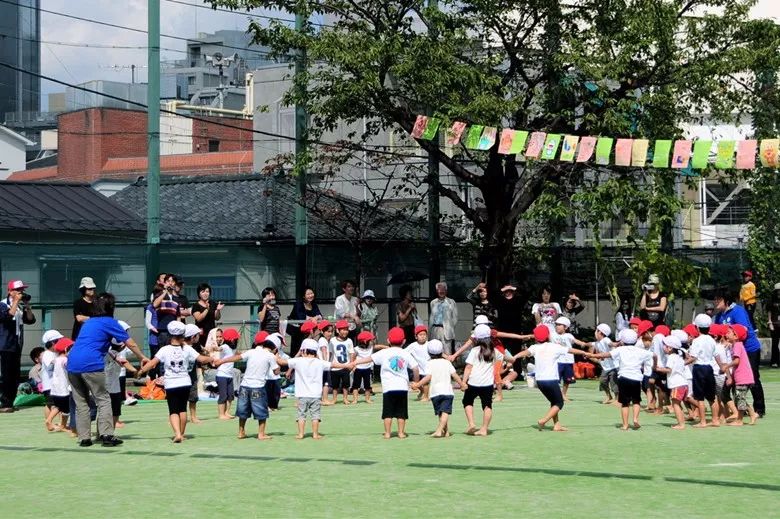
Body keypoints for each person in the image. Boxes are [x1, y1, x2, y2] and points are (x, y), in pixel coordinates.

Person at [67, 292, 148, 446]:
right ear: (111, 307)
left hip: (72, 364)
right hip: (91, 364)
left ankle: (84, 438)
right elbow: (130, 343)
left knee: (81, 402)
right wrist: (142, 357)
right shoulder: (110, 322)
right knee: (103, 400)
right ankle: (106, 435)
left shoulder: (88, 323)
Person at [136, 321, 213, 443]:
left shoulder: (164, 349)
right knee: (182, 409)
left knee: (173, 410)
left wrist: (141, 371)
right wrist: (212, 358)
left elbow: (152, 363)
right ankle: (181, 434)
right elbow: (201, 359)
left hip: (171, 384)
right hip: (185, 382)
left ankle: (177, 434)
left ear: (170, 335)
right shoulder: (187, 348)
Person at [512, 325, 592, 431]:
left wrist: (514, 357)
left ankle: (557, 425)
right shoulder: (555, 347)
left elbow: (524, 353)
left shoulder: (534, 347)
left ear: (536, 338)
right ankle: (543, 420)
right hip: (551, 380)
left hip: (539, 382)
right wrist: (584, 352)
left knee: (554, 402)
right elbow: (570, 350)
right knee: (559, 403)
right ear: (548, 335)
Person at [275, 338, 353, 439]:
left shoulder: (298, 361)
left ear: (303, 351)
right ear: (316, 352)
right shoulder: (320, 362)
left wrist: (275, 353)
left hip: (302, 395)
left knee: (301, 415)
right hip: (316, 395)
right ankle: (315, 434)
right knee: (315, 415)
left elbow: (281, 362)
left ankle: (301, 434)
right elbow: (333, 364)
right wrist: (347, 365)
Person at [354, 327, 419, 439]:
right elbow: (415, 368)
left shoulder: (384, 352)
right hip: (402, 387)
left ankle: (387, 433)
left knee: (387, 412)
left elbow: (369, 359)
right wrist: (416, 382)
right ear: (404, 341)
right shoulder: (405, 353)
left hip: (388, 388)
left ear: (388, 340)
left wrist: (355, 362)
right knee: (401, 412)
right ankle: (401, 433)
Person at [215, 335, 281, 440]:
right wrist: (277, 360)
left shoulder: (251, 352)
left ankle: (241, 432)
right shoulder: (270, 356)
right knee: (261, 412)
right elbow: (276, 372)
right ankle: (261, 434)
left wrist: (222, 361)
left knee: (243, 411)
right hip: (258, 387)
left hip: (244, 386)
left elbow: (236, 358)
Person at [713, 290, 765, 417]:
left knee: (752, 378)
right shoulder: (719, 316)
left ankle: (759, 409)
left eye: (718, 299)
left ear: (726, 300)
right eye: (715, 299)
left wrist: (730, 341)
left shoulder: (738, 311)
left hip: (749, 349)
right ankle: (740, 408)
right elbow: (718, 333)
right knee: (735, 378)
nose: (715, 302)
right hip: (732, 351)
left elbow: (743, 329)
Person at [591, 328, 655, 431]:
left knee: (625, 403)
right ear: (636, 340)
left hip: (623, 378)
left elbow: (607, 354)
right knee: (636, 401)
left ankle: (625, 425)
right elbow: (654, 355)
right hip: (636, 379)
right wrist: (655, 365)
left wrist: (592, 355)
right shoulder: (641, 351)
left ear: (623, 341)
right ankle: (635, 419)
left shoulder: (620, 349)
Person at [411, 339, 465, 438]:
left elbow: (428, 377)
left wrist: (417, 384)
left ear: (428, 352)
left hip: (435, 392)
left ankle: (439, 430)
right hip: (447, 392)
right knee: (444, 412)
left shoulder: (429, 363)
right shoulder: (447, 363)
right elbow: (455, 375)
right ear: (442, 351)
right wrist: (462, 384)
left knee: (442, 412)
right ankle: (446, 431)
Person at [0, 280, 36, 412]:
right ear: (10, 291)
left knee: (15, 375)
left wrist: (27, 305)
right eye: (18, 290)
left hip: (17, 345)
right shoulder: (3, 304)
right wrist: (15, 301)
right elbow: (7, 317)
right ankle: (5, 403)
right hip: (5, 345)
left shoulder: (20, 307)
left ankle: (10, 402)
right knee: (6, 375)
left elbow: (30, 320)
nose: (21, 292)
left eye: (22, 290)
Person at [461, 324, 503, 436]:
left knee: (467, 401)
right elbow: (502, 359)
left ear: (477, 339)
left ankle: (471, 424)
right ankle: (484, 429)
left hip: (473, 382)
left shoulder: (475, 350)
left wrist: (463, 382)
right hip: (488, 384)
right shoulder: (495, 351)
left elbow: (468, 367)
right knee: (487, 405)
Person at [687, 314, 723, 428]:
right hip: (709, 368)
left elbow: (693, 357)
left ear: (697, 328)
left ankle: (703, 422)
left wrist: (681, 363)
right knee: (712, 397)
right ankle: (715, 420)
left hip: (699, 369)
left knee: (700, 398)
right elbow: (716, 355)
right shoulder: (712, 340)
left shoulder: (696, 341)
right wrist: (721, 366)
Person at [723, 324, 759, 426]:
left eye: (729, 332)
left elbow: (737, 361)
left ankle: (739, 420)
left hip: (743, 378)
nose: (726, 334)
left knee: (740, 399)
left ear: (736, 336)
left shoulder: (738, 346)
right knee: (740, 398)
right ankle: (752, 414)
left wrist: (726, 366)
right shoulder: (736, 345)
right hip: (741, 378)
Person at [654, 335, 688, 429]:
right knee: (677, 404)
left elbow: (669, 370)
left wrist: (658, 369)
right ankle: (681, 422)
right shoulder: (679, 357)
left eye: (665, 346)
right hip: (683, 383)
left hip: (677, 384)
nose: (663, 347)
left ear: (670, 348)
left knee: (675, 404)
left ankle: (681, 424)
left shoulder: (671, 357)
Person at [46, 338, 74, 433]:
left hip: (55, 388)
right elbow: (70, 369)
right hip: (64, 388)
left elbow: (50, 369)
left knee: (58, 406)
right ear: (66, 349)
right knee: (66, 408)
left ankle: (49, 420)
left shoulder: (56, 359)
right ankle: (63, 425)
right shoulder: (65, 360)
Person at [287, 286, 322, 356]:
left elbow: (320, 316)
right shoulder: (298, 304)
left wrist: (316, 317)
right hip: (298, 331)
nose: (311, 295)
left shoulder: (314, 304)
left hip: (310, 332)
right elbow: (301, 317)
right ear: (304, 296)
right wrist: (313, 318)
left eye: (311, 293)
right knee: (297, 349)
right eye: (308, 294)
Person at [40, 329, 64, 426]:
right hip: (50, 384)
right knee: (53, 404)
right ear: (53, 342)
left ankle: (59, 423)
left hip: (54, 384)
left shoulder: (55, 353)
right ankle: (50, 422)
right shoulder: (47, 354)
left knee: (53, 403)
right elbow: (51, 366)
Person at [191, 283, 224, 350]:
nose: (205, 293)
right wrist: (206, 309)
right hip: (201, 335)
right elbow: (198, 319)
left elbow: (217, 318)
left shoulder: (213, 303)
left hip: (212, 333)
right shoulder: (196, 305)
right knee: (201, 352)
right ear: (199, 294)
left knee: (212, 352)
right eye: (203, 292)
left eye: (207, 291)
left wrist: (218, 310)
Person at [329, 320, 355, 405]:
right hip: (335, 367)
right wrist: (328, 363)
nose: (345, 332)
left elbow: (351, 353)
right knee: (335, 385)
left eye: (346, 329)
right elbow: (330, 353)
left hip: (345, 366)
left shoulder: (349, 341)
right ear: (337, 330)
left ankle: (345, 398)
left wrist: (351, 363)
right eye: (343, 330)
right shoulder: (332, 340)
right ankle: (334, 399)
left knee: (346, 384)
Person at [429, 282, 459, 355]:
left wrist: (449, 327)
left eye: (443, 289)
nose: (441, 291)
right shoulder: (433, 302)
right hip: (434, 329)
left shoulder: (451, 302)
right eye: (439, 289)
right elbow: (432, 317)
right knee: (434, 351)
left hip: (446, 330)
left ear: (446, 290)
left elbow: (455, 318)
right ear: (437, 291)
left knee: (447, 352)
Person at [215, 328, 238, 419]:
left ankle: (227, 412)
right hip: (222, 375)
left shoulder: (233, 349)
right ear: (232, 339)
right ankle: (221, 414)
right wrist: (214, 347)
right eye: (235, 339)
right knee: (223, 395)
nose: (236, 340)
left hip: (229, 375)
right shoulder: (225, 346)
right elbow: (219, 348)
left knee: (230, 395)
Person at [592, 323, 618, 404]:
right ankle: (608, 396)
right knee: (603, 381)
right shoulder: (597, 343)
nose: (595, 332)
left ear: (601, 332)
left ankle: (617, 398)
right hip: (605, 367)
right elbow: (590, 344)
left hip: (613, 366)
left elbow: (611, 344)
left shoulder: (606, 339)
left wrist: (617, 344)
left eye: (596, 331)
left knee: (614, 383)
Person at [406, 324, 431, 401]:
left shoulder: (429, 344)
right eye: (420, 335)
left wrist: (448, 357)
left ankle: (426, 397)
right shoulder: (413, 345)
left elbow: (438, 352)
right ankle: (422, 391)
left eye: (424, 334)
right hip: (418, 369)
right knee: (416, 382)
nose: (423, 336)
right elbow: (404, 352)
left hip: (427, 368)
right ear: (416, 336)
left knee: (425, 383)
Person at [351, 331, 375, 404]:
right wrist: (353, 366)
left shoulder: (371, 347)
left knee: (367, 386)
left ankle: (367, 399)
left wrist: (386, 347)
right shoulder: (356, 349)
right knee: (355, 385)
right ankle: (355, 399)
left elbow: (379, 346)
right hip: (358, 369)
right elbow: (353, 358)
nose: (371, 341)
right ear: (365, 341)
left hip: (367, 369)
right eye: (370, 340)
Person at [767, 283, 780, 368]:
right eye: (778, 290)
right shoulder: (771, 300)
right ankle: (774, 361)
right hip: (774, 324)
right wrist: (770, 322)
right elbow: (769, 311)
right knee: (775, 343)